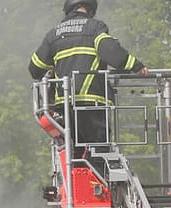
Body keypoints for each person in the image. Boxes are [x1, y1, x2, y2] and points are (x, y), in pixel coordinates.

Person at [29, 0, 147, 161]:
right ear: (91, 10)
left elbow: (35, 68)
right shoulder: (95, 28)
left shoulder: (53, 35)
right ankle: (97, 183)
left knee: (73, 154)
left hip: (64, 107)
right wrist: (137, 66)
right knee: (98, 153)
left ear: (68, 9)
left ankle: (77, 182)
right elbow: (110, 50)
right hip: (92, 105)